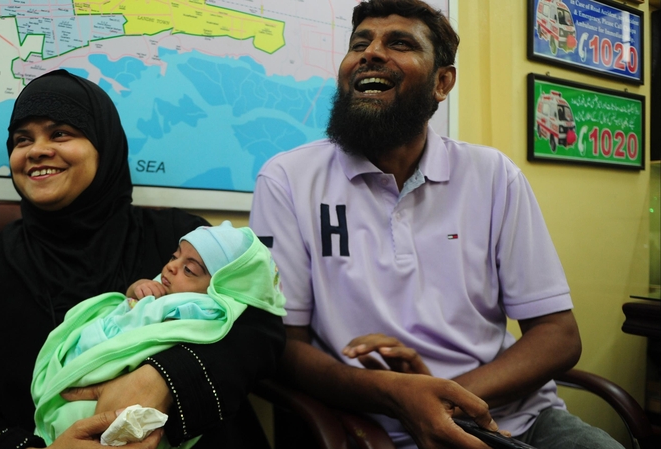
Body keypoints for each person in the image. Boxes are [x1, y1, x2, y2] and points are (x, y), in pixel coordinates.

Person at [249, 1, 623, 448]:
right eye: (359, 44)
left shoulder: (493, 175)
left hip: (519, 417)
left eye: (399, 43)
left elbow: (558, 336)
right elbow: (282, 346)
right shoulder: (288, 179)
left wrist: (444, 400)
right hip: (379, 430)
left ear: (442, 82)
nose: (370, 53)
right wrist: (399, 397)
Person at [0, 69, 285, 449]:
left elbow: (261, 328)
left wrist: (162, 380)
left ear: (105, 146)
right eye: (21, 140)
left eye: (60, 133)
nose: (36, 150)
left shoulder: (180, 239)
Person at [32, 222, 286, 447]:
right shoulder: (164, 288)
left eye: (190, 270)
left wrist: (161, 378)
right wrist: (135, 291)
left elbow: (250, 334)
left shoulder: (201, 307)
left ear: (219, 288)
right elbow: (126, 310)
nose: (172, 266)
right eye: (174, 256)